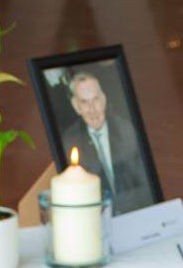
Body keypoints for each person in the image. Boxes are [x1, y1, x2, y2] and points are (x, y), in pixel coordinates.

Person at [58, 71, 155, 213]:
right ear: (76, 106)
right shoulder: (69, 142)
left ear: (103, 100)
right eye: (84, 102)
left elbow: (144, 183)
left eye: (96, 99)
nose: (92, 109)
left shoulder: (126, 130)